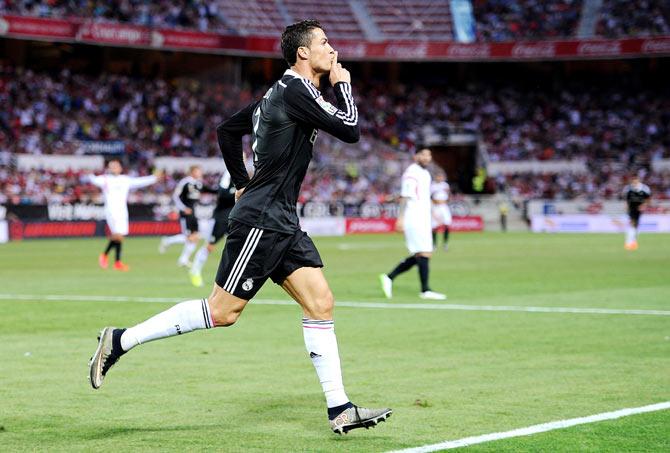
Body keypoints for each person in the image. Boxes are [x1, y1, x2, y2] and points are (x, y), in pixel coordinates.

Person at [89, 20, 391, 435]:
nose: (332, 50)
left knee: (320, 302)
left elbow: (227, 131)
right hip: (262, 220)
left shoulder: (278, 94)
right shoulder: (296, 90)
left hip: (281, 218)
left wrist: (241, 181)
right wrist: (343, 84)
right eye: (324, 42)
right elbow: (351, 129)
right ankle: (120, 340)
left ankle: (339, 408)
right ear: (303, 53)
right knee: (222, 311)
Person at [379, 148, 447, 300]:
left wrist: (434, 213)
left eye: (429, 155)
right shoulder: (411, 172)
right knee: (424, 252)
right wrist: (401, 218)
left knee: (421, 254)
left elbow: (420, 195)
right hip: (413, 217)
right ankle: (425, 290)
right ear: (416, 156)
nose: (426, 157)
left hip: (423, 217)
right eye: (423, 154)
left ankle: (389, 277)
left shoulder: (425, 174)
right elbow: (406, 196)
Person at [86, 159, 160, 271]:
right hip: (111, 210)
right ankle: (110, 258)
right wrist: (89, 173)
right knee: (118, 235)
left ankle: (114, 261)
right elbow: (93, 179)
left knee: (120, 237)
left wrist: (154, 178)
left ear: (120, 168)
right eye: (112, 166)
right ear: (109, 168)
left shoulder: (125, 180)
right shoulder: (104, 179)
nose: (114, 168)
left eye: (116, 166)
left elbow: (139, 181)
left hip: (122, 210)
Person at [188, 171, 236, 287]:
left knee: (237, 246)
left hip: (235, 218)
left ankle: (232, 278)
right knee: (210, 246)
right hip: (221, 218)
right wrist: (236, 192)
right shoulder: (228, 174)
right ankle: (195, 270)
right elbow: (222, 193)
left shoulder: (242, 174)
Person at [168, 165, 218, 267]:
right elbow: (175, 196)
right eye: (198, 171)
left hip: (194, 213)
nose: (200, 173)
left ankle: (183, 259)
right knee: (190, 237)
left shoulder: (199, 183)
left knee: (195, 236)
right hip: (186, 213)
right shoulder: (185, 182)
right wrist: (183, 208)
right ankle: (168, 241)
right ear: (192, 172)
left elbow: (210, 190)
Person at [623, 175, 651, 250]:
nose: (634, 183)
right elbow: (626, 198)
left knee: (636, 225)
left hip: (639, 209)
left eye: (636, 181)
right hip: (631, 208)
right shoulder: (628, 188)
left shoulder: (645, 189)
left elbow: (648, 199)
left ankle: (633, 241)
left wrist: (644, 205)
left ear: (638, 181)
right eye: (633, 181)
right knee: (632, 223)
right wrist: (626, 206)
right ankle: (628, 242)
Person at [431, 171, 452, 251]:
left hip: (444, 207)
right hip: (435, 207)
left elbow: (449, 196)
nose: (440, 178)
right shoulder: (432, 186)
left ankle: (445, 244)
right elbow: (429, 197)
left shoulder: (445, 185)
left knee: (447, 224)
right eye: (438, 176)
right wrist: (435, 201)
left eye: (441, 177)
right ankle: (434, 244)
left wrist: (445, 201)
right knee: (434, 226)